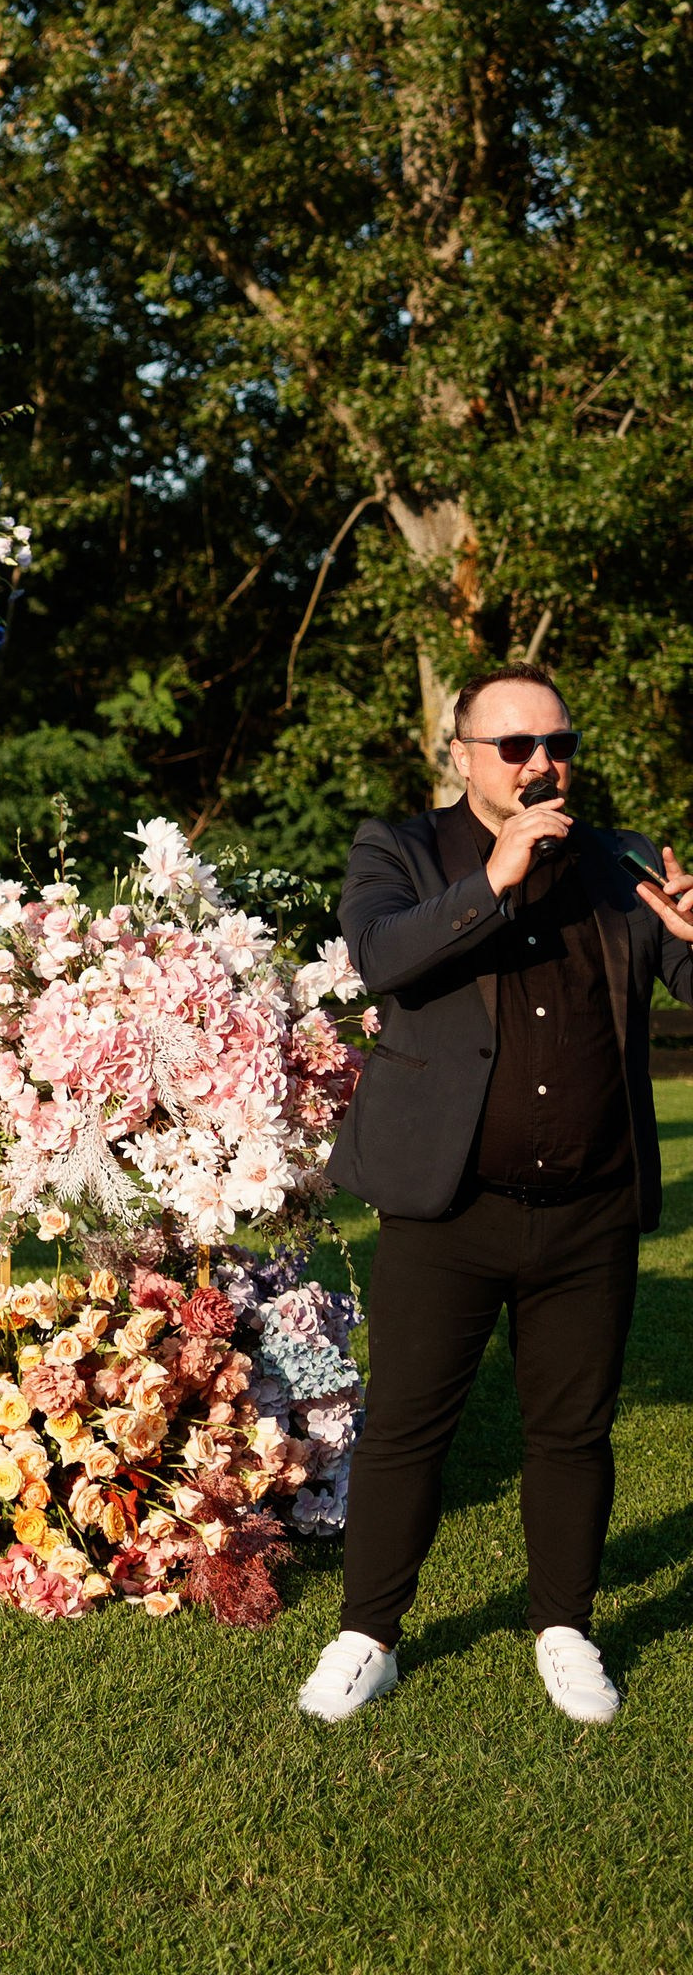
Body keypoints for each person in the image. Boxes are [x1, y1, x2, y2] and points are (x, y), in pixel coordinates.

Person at [300, 665, 693, 1728]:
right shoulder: (401, 849)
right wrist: (496, 881)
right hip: (447, 1208)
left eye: (556, 744)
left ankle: (565, 1626)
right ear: (462, 755)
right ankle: (367, 1634)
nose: (540, 765)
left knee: (572, 1431)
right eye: (513, 747)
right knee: (406, 1432)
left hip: (589, 1210)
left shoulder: (623, 863)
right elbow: (381, 958)